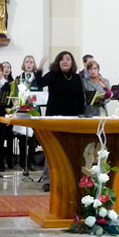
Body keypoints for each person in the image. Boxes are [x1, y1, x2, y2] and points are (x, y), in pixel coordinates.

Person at [37, 51, 85, 191]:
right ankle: (48, 180)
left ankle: (70, 179)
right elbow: (40, 83)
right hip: (54, 117)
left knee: (71, 150)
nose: (65, 61)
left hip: (72, 118)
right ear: (58, 62)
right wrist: (39, 68)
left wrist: (81, 116)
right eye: (62, 59)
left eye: (68, 59)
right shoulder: (53, 75)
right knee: (51, 149)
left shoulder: (76, 77)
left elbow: (80, 97)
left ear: (72, 63)